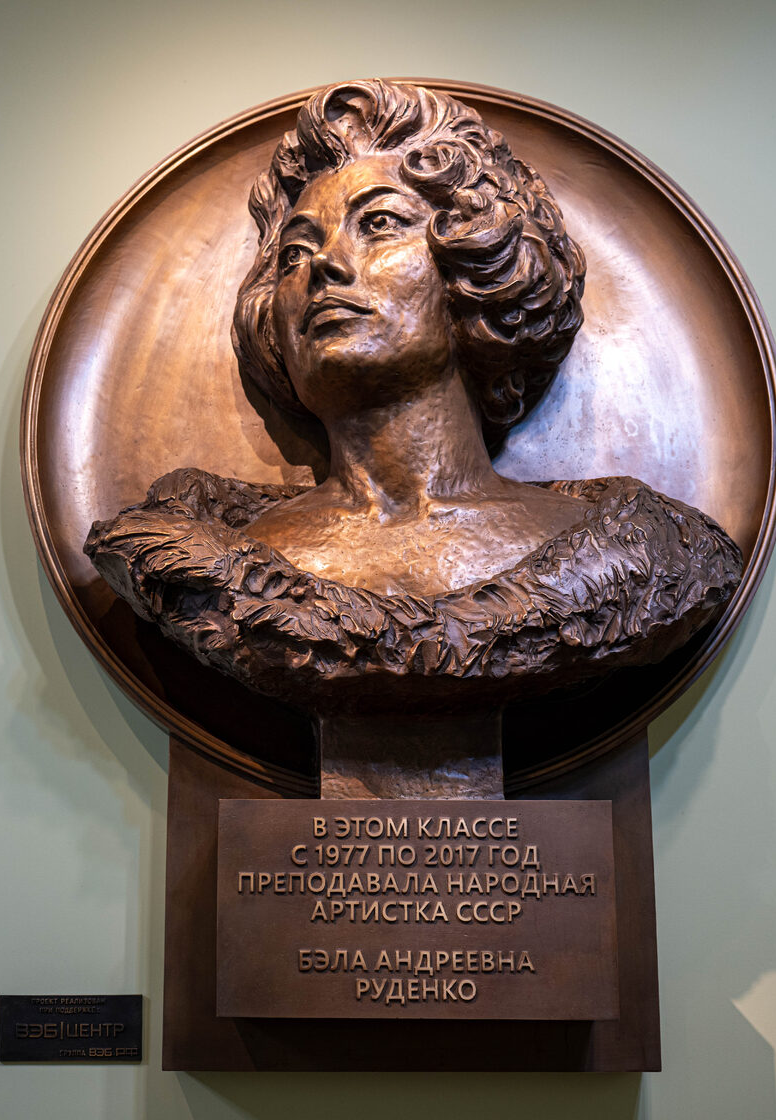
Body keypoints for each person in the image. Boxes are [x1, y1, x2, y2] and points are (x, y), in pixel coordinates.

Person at [86, 81, 742, 708]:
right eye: (294, 253)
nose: (324, 265)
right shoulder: (204, 560)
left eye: (379, 224)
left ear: (479, 266)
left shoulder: (634, 553)